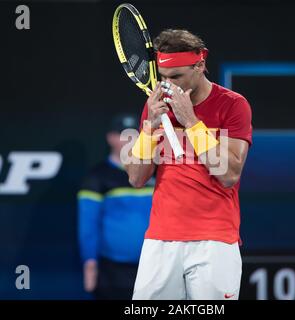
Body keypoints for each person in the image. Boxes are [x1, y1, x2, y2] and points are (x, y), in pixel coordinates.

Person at [123, 29, 253, 300]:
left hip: (214, 240)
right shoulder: (156, 105)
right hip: (160, 239)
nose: (168, 86)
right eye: (163, 78)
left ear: (200, 65)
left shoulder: (233, 105)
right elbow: (136, 177)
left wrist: (191, 121)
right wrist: (149, 130)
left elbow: (229, 174)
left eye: (177, 77)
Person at [77, 113, 154, 299]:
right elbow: (88, 225)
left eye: (134, 133)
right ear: (110, 138)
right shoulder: (97, 176)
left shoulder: (155, 171)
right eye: (122, 134)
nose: (129, 139)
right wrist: (90, 264)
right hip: (112, 271)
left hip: (153, 266)